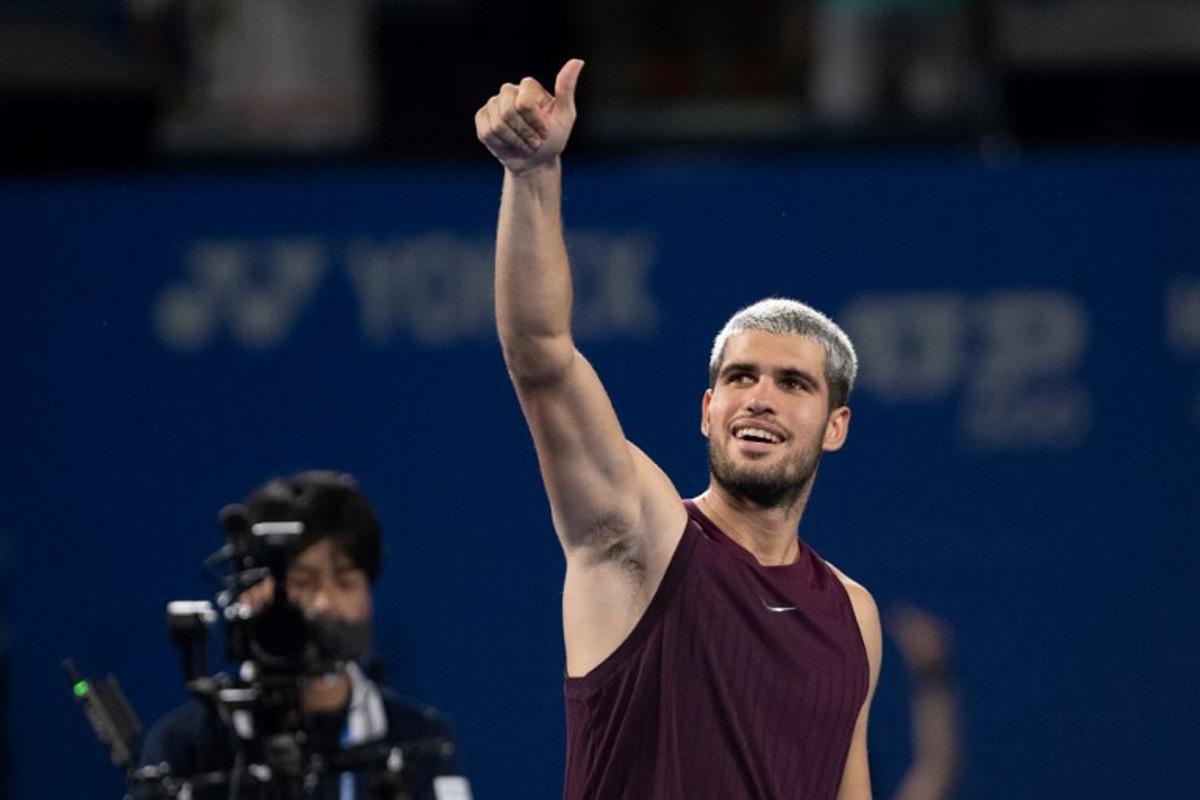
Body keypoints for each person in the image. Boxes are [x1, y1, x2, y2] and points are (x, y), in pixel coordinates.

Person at [475, 61, 882, 799]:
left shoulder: (854, 615)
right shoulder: (642, 536)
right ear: (707, 410)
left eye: (793, 384)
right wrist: (532, 174)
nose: (759, 399)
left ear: (836, 427)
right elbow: (542, 359)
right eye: (740, 378)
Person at [140, 470, 463, 800]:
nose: (324, 602)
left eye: (345, 581)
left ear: (368, 595)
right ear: (249, 594)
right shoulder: (184, 747)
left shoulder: (420, 741)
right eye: (302, 582)